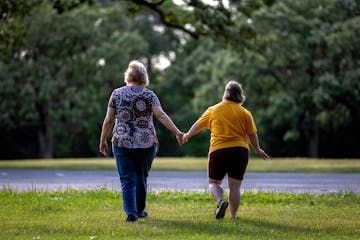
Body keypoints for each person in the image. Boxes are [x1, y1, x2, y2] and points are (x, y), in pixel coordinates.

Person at [99, 60, 183, 222]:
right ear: (144, 77)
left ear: (128, 76)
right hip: (146, 143)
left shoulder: (117, 94)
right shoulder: (149, 95)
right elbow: (161, 115)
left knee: (127, 178)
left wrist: (103, 139)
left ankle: (131, 212)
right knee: (141, 176)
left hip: (122, 142)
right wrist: (177, 132)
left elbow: (109, 119)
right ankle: (139, 210)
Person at [182, 81, 269, 219]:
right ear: (240, 95)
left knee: (213, 183)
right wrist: (257, 149)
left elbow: (198, 125)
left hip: (219, 151)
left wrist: (187, 135)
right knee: (235, 187)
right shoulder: (245, 113)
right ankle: (233, 216)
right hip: (240, 151)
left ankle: (221, 201)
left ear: (225, 93)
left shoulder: (213, 110)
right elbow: (252, 134)